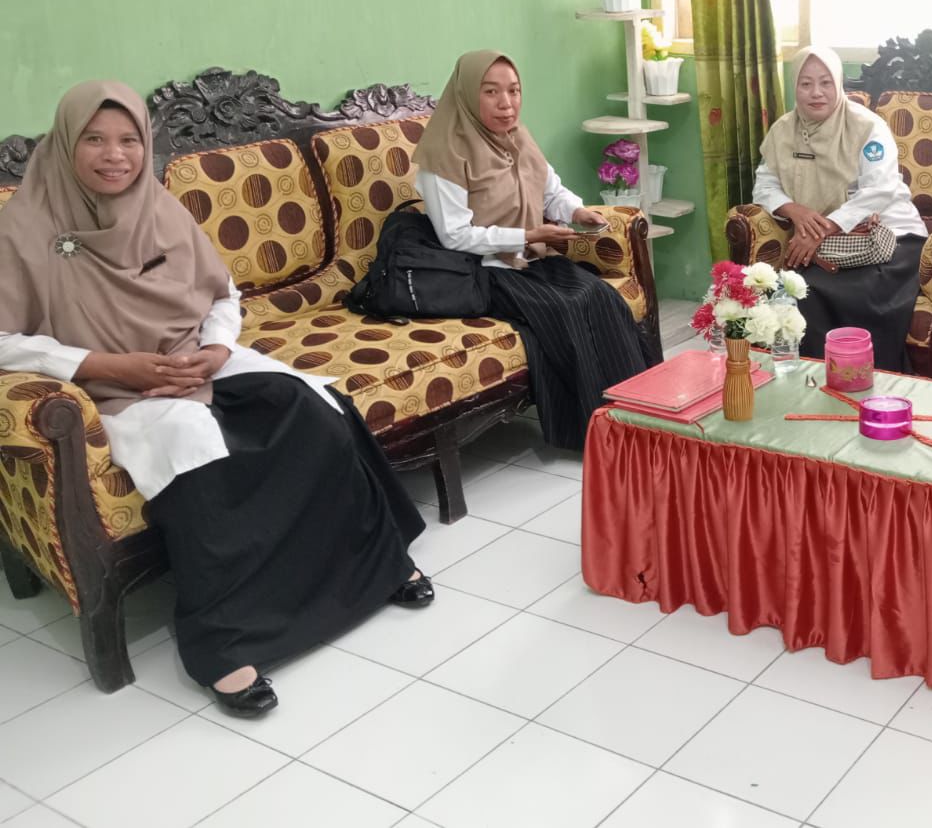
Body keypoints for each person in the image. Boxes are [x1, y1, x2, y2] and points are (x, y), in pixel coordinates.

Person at [0, 83, 429, 718]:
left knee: (316, 409)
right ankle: (226, 645)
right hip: (112, 386)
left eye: (129, 140)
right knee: (195, 454)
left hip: (195, 356)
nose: (115, 155)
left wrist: (217, 349)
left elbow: (222, 292)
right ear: (66, 143)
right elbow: (4, 339)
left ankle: (377, 566)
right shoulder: (22, 227)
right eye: (95, 139)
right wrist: (105, 364)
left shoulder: (160, 207)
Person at [414, 51, 648, 452]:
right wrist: (525, 235)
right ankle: (596, 435)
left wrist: (576, 211)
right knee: (565, 309)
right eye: (491, 92)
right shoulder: (443, 154)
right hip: (482, 269)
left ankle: (639, 417)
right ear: (467, 94)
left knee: (600, 296)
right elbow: (454, 235)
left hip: (531, 257)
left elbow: (550, 188)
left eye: (514, 91)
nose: (506, 104)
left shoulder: (517, 136)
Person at [752, 46, 927, 371]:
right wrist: (795, 211)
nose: (816, 93)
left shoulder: (866, 127)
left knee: (857, 292)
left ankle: (870, 378)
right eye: (805, 84)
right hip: (826, 243)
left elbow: (880, 189)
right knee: (799, 291)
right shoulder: (783, 131)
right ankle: (813, 381)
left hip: (890, 238)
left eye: (825, 82)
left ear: (839, 84)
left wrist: (822, 227)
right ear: (794, 86)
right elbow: (764, 185)